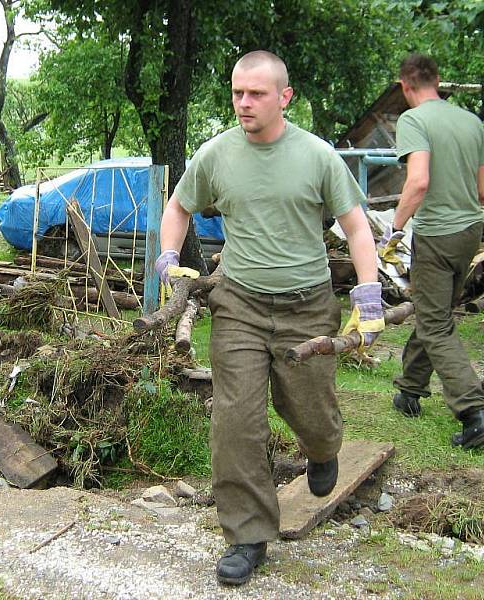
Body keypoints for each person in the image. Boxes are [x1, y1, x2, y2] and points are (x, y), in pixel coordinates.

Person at [155, 50, 381, 586]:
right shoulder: (216, 155)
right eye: (237, 92)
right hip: (239, 302)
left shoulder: (317, 156)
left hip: (307, 306)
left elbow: (355, 226)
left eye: (256, 93)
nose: (244, 103)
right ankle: (248, 534)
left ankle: (323, 449)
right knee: (235, 417)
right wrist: (167, 257)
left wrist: (368, 294)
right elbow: (178, 207)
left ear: (284, 97)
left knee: (309, 408)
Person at [382, 53, 484, 450]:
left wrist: (394, 228)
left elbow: (418, 182)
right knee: (435, 312)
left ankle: (473, 414)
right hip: (469, 231)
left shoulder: (414, 120)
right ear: (438, 79)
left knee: (434, 325)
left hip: (436, 233)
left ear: (404, 86)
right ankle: (410, 390)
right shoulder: (471, 121)